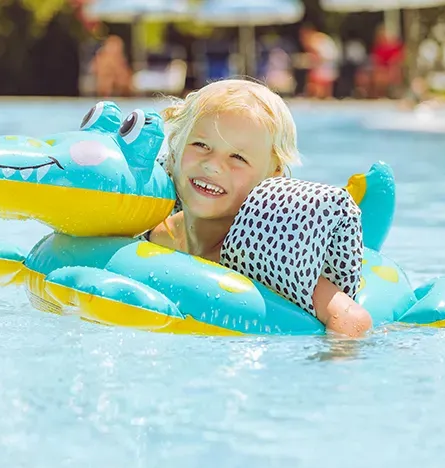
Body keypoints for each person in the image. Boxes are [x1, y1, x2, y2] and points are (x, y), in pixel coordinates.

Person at [139, 79, 373, 337]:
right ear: (175, 147)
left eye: (238, 157)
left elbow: (354, 319)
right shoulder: (150, 227)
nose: (213, 165)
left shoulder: (264, 256)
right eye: (201, 145)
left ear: (272, 176)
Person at [299, 25, 339, 99]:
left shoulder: (314, 39)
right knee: (324, 89)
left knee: (313, 81)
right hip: (330, 64)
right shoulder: (321, 37)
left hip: (324, 65)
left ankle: (316, 98)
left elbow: (316, 56)